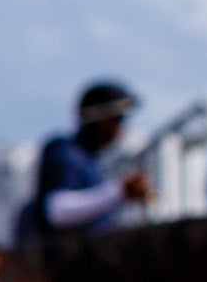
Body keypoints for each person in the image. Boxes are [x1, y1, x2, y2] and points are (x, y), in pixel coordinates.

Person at [15, 80, 152, 244]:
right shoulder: (63, 152)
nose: (121, 129)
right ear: (99, 119)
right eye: (117, 120)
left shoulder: (89, 162)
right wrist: (121, 191)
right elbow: (57, 211)